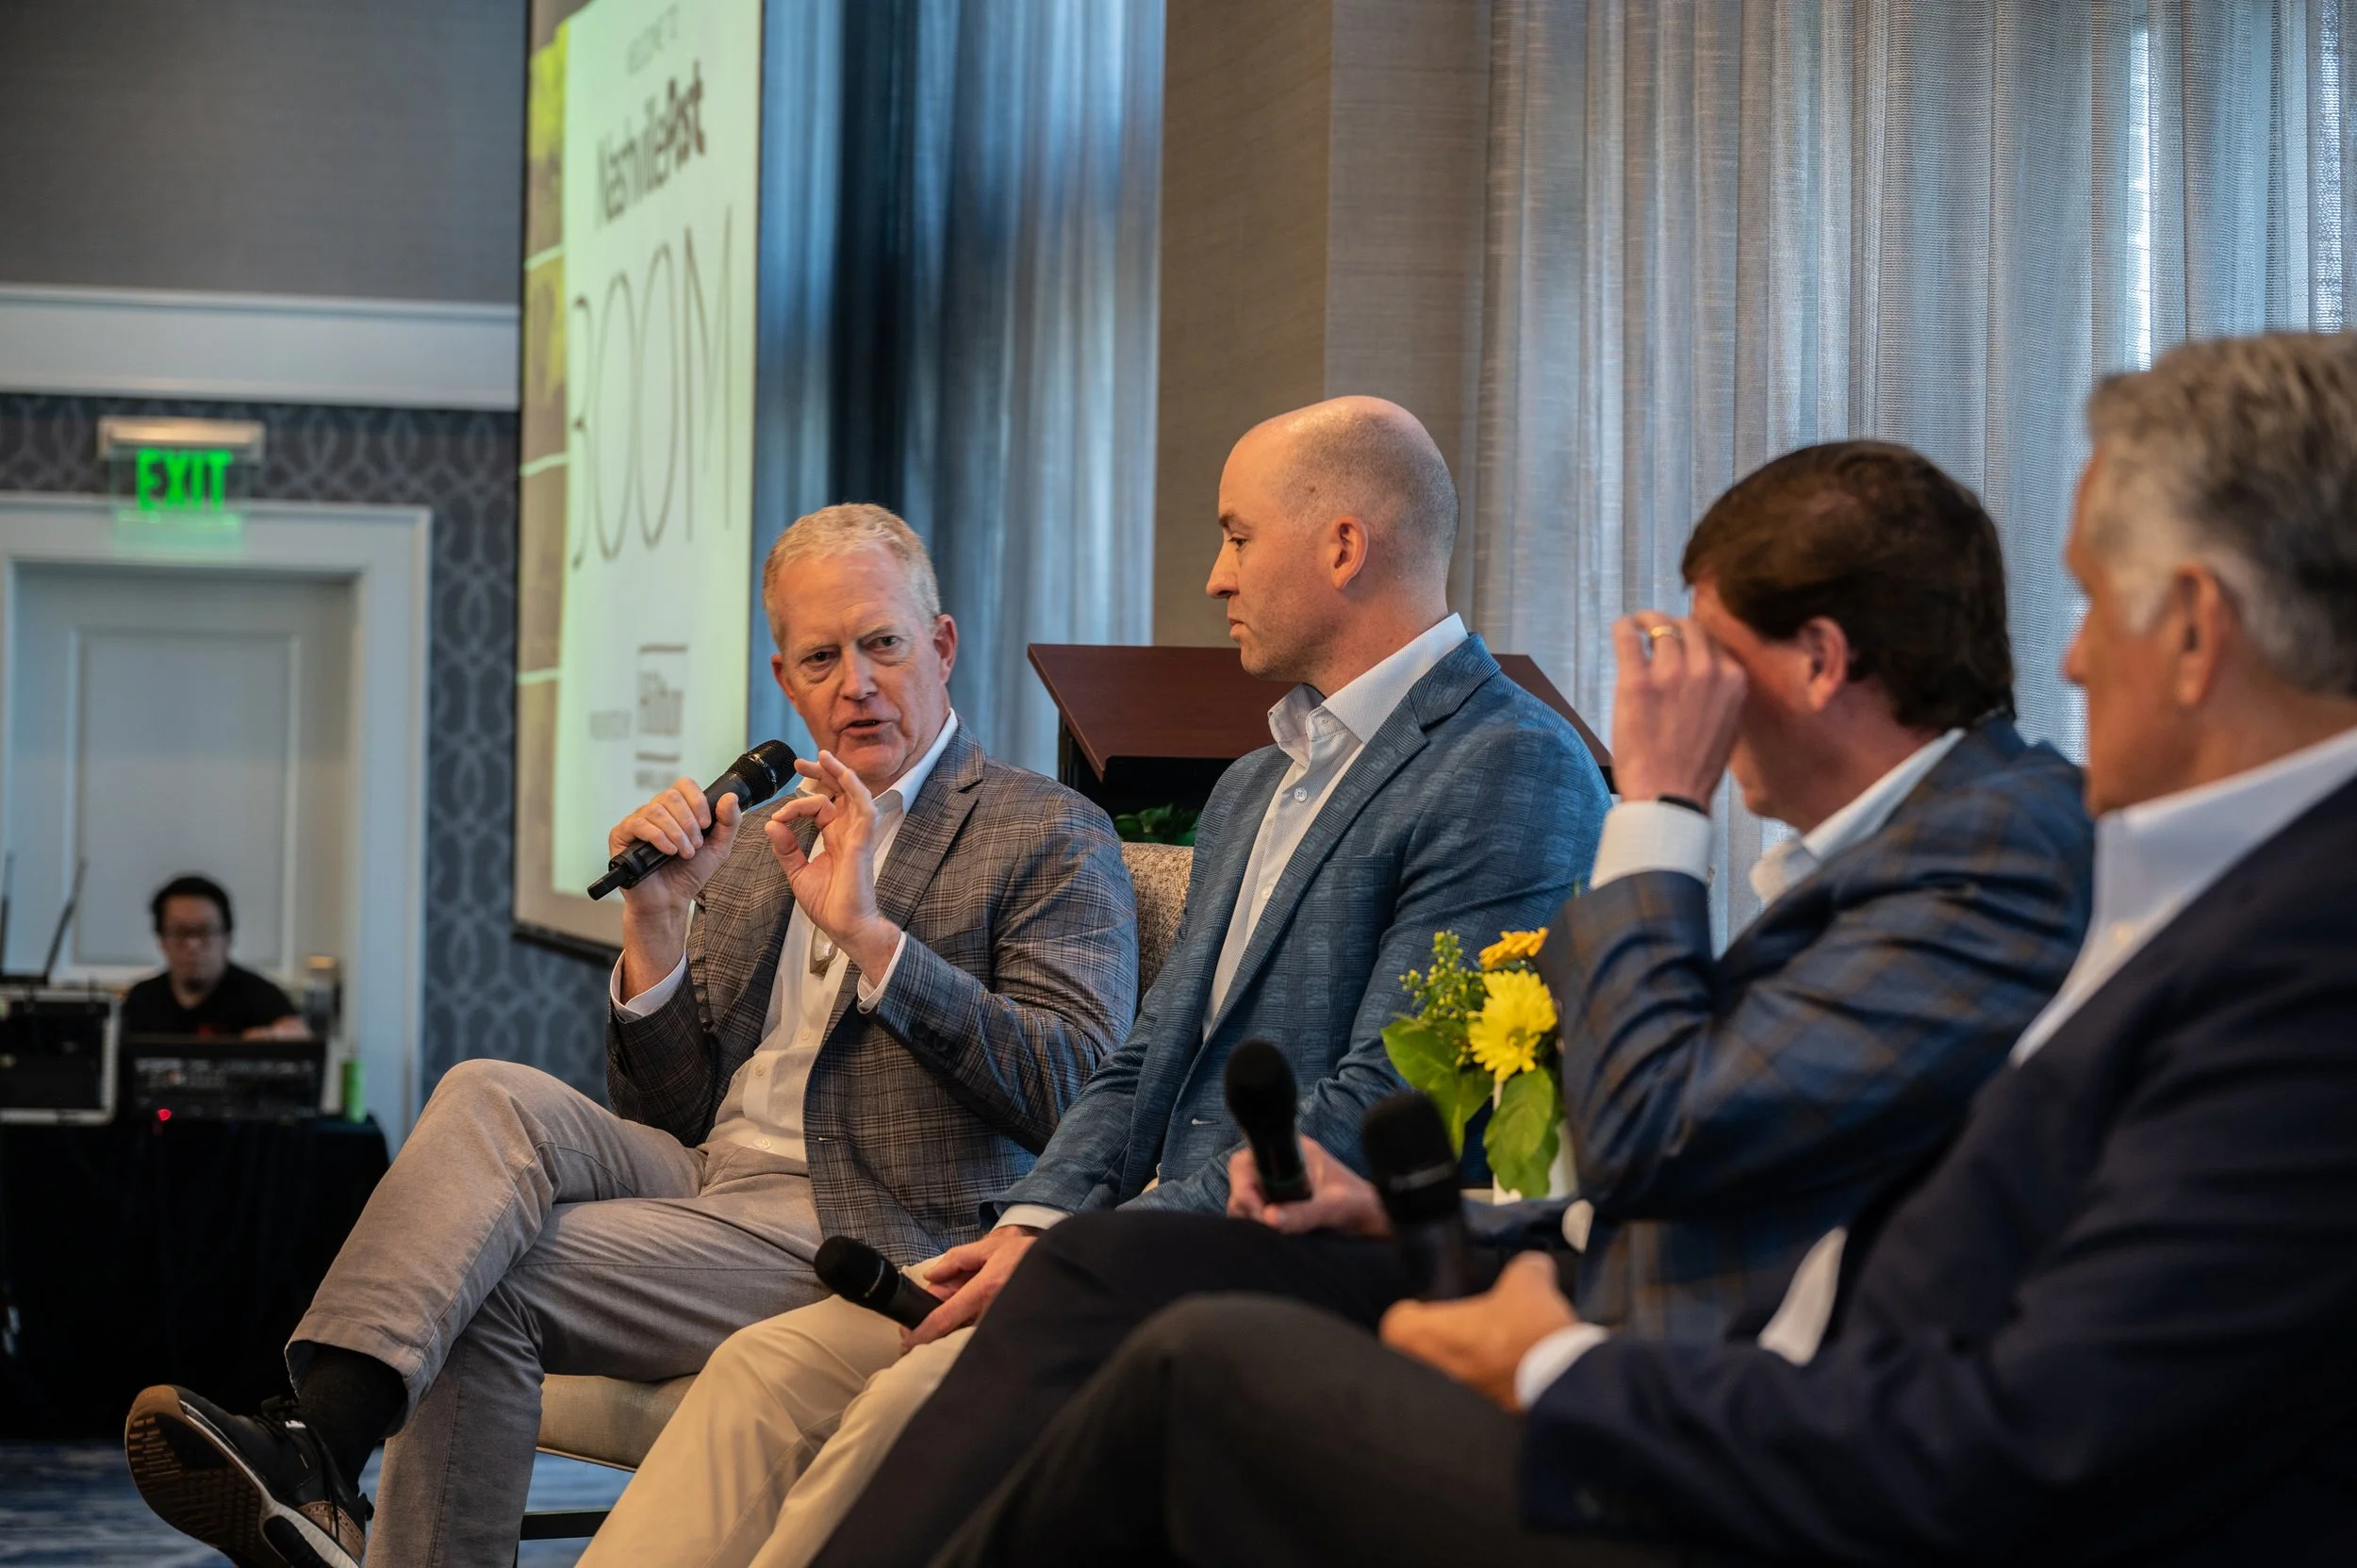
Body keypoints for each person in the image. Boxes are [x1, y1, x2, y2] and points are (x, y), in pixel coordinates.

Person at [919, 331, 2357, 1567]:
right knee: (1131, 1300)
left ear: (2198, 632)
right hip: (1680, 1353)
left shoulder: (2076, 877)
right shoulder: (2118, 879)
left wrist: (1659, 811)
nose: (2074, 657)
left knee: (1188, 1359)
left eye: (2099, 601)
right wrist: (1476, 1228)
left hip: (1738, 1447)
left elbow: (1664, 1132)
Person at [575, 395, 1608, 1568]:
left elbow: (1382, 1106)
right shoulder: (1253, 786)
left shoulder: (1509, 762)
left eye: (1235, 534)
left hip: (1282, 1254)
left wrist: (1081, 1248)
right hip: (1110, 1238)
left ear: (1341, 545)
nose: (1215, 577)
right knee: (766, 1366)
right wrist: (1034, 1217)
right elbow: (1135, 1063)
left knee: (905, 1405)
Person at [121, 503, 1138, 1568]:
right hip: (710, 1176)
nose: (858, 681)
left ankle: (324, 1456)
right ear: (786, 683)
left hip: (869, 1213)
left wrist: (874, 939)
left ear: (939, 644)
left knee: (481, 1277)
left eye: (882, 642)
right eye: (821, 657)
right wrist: (655, 926)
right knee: (484, 1088)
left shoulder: (1043, 827)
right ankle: (316, 1439)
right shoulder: (760, 839)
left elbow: (1070, 1089)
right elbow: (670, 1110)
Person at [118, 875, 305, 1038]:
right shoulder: (142, 1000)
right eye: (180, 932)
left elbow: (295, 1033)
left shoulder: (260, 996)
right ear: (161, 940)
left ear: (228, 938)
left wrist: (273, 1035)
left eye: (205, 932)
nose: (192, 945)